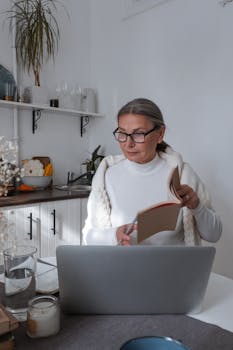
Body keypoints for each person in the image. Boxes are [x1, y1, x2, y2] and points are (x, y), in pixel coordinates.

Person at [83, 98, 222, 246]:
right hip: (124, 267)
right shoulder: (107, 176)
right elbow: (88, 235)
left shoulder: (182, 174)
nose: (128, 144)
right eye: (122, 133)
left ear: (160, 134)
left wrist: (197, 206)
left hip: (172, 268)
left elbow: (214, 235)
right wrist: (113, 236)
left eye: (138, 134)